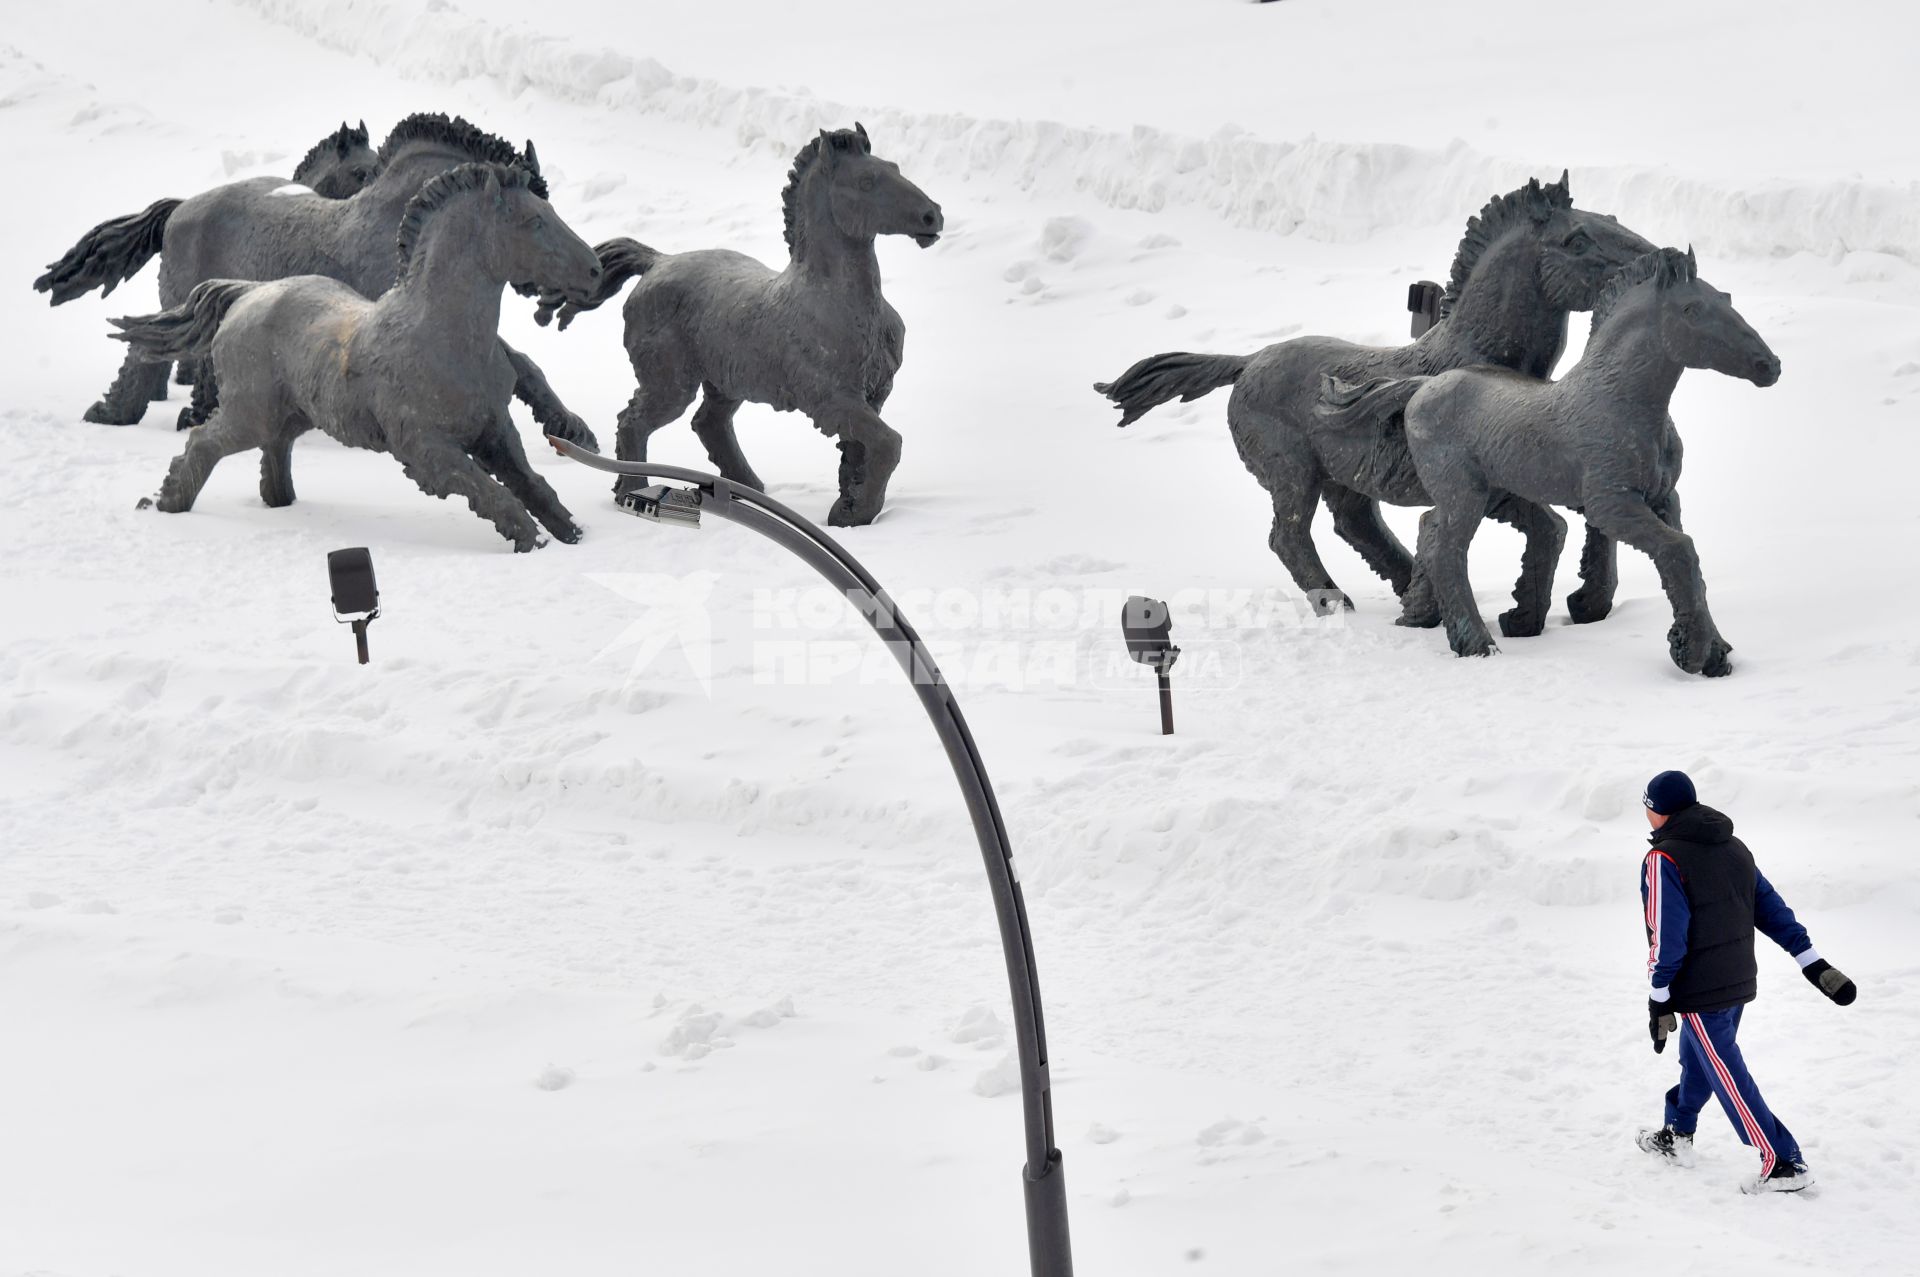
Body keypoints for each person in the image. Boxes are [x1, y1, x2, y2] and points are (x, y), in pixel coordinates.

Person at [1634, 769, 1857, 1194]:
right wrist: (1809, 958)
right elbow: (1769, 906)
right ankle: (1677, 1133)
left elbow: (1667, 935)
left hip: (1701, 989)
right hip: (1737, 980)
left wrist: (1659, 996)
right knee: (1699, 1058)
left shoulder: (1664, 859)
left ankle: (1783, 1163)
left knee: (1727, 1074)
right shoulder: (1733, 846)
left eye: (1646, 808)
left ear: (1657, 811)